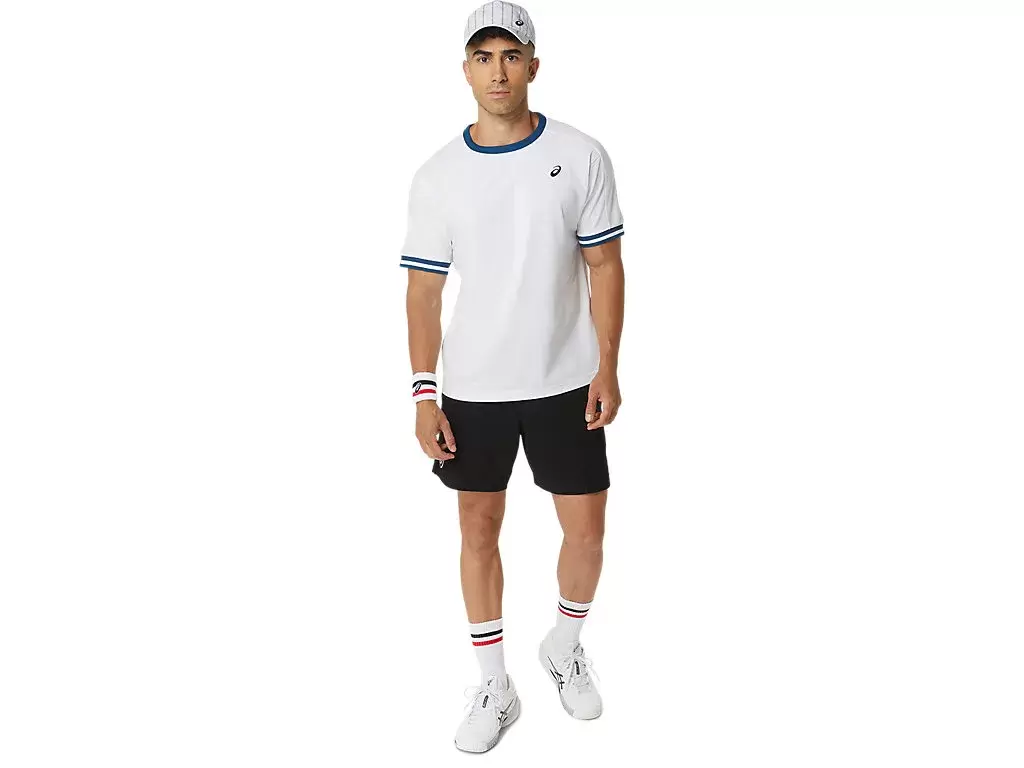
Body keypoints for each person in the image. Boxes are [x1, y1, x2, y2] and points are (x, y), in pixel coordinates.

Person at [400, 1, 626, 754]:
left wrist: (608, 365)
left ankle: (564, 643)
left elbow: (605, 264)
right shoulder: (438, 176)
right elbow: (423, 292)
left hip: (567, 379)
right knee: (477, 529)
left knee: (586, 532)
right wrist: (424, 392)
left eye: (510, 55)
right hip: (475, 388)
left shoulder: (581, 154)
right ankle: (494, 683)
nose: (497, 71)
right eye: (483, 57)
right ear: (465, 71)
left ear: (533, 65)